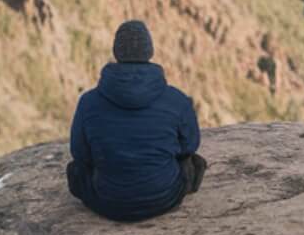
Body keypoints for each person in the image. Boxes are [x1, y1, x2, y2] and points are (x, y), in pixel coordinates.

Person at [66, 20, 206, 221]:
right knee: (194, 163)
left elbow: (79, 153)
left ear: (116, 52)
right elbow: (190, 145)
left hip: (106, 201)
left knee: (75, 171)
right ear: (150, 51)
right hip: (164, 198)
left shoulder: (88, 102)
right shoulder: (177, 100)